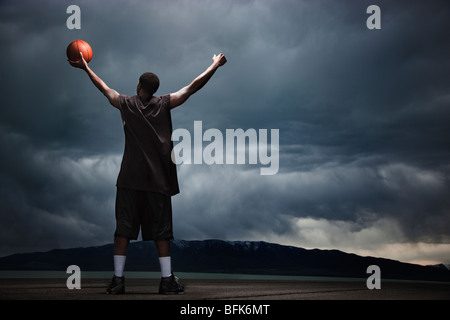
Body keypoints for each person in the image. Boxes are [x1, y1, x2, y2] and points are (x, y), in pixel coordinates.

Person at [69, 51, 227, 294]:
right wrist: (215, 65)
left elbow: (104, 88)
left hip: (129, 179)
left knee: (123, 228)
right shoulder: (165, 103)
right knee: (161, 232)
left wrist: (85, 68)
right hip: (158, 181)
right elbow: (193, 87)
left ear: (139, 85)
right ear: (154, 89)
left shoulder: (126, 104)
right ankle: (166, 281)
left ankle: (118, 280)